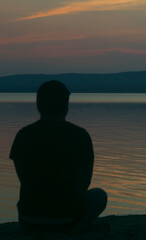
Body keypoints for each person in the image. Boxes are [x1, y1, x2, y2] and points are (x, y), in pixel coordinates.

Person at [9, 80, 107, 232]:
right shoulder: (80, 136)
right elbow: (85, 182)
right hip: (68, 218)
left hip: (30, 218)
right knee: (100, 195)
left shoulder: (23, 135)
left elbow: (24, 178)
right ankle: (76, 230)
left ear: (38, 105)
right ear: (65, 106)